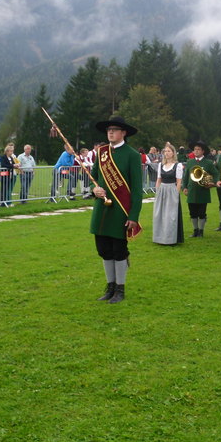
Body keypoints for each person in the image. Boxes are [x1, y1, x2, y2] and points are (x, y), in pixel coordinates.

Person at [91, 115, 143, 304]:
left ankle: (120, 289)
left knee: (119, 250)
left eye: (114, 129)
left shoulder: (132, 155)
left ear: (124, 133)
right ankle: (110, 286)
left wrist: (134, 215)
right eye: (108, 130)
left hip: (121, 211)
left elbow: (137, 190)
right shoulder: (102, 152)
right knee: (103, 249)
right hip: (101, 211)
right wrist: (94, 190)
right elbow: (94, 177)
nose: (110, 132)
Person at [181, 141, 220, 237]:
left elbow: (216, 174)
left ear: (203, 151)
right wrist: (184, 187)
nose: (196, 151)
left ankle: (201, 230)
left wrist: (213, 183)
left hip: (203, 191)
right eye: (195, 149)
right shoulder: (190, 162)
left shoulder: (208, 163)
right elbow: (185, 176)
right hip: (192, 191)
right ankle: (195, 230)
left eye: (198, 149)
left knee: (202, 212)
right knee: (192, 212)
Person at [153, 143, 184, 245]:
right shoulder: (160, 165)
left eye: (169, 151)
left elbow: (179, 181)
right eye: (165, 151)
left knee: (170, 216)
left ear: (173, 153)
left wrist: (176, 194)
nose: (166, 153)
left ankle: (170, 239)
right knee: (160, 214)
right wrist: (157, 192)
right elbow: (158, 180)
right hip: (162, 190)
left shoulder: (177, 165)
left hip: (171, 190)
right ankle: (159, 238)